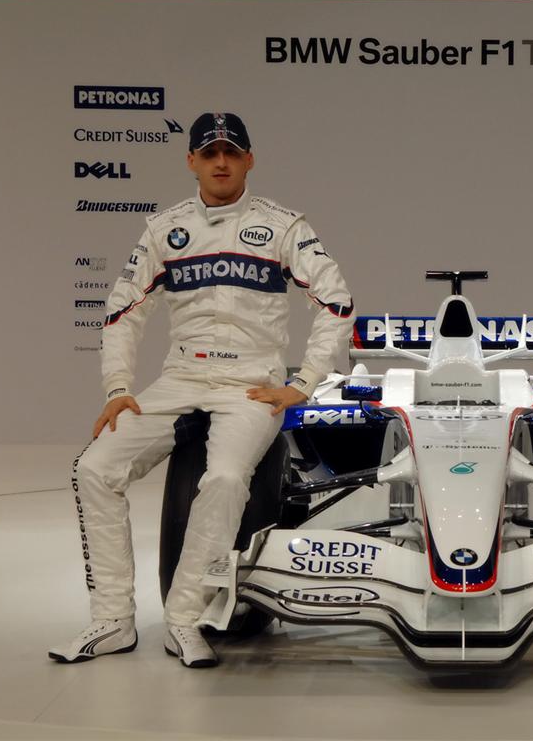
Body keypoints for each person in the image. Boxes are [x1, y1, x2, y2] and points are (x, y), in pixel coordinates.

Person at [49, 112, 354, 668]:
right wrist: (118, 387)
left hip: (251, 387)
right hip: (181, 379)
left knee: (226, 479)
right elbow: (122, 312)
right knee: (93, 468)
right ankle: (112, 620)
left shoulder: (284, 226)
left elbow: (336, 301)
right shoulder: (164, 229)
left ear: (249, 160)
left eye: (231, 152)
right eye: (210, 152)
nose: (221, 162)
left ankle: (184, 618)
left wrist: (303, 384)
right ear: (191, 160)